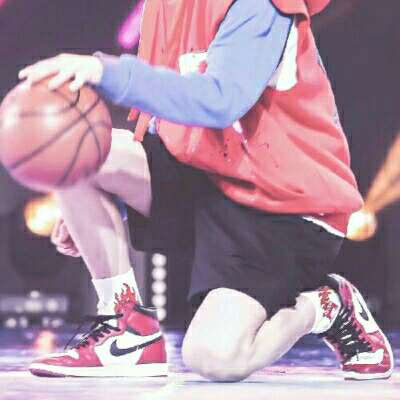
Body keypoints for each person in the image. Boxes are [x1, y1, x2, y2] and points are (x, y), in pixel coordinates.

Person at [20, 0, 393, 381]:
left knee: (215, 358)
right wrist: (98, 194)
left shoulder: (260, 5)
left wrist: (104, 71)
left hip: (286, 207)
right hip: (213, 180)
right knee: (75, 148)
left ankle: (326, 305)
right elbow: (165, 114)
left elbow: (220, 100)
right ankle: (126, 329)